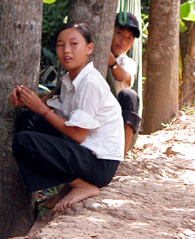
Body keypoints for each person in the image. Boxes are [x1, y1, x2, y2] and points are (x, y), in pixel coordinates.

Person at [9, 22, 124, 213]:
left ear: (89, 49)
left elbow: (78, 135)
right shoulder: (70, 80)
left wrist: (42, 110)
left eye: (73, 44)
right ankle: (70, 185)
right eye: (61, 45)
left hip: (100, 164)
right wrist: (22, 100)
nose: (66, 50)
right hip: (84, 154)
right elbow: (42, 107)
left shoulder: (90, 82)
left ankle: (82, 185)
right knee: (27, 120)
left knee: (23, 142)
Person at [108, 13, 142, 156]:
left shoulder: (128, 63)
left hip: (120, 126)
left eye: (129, 38)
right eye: (119, 33)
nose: (123, 41)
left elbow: (123, 76)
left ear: (132, 43)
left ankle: (120, 154)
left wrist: (112, 63)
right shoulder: (94, 55)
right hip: (99, 119)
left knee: (129, 95)